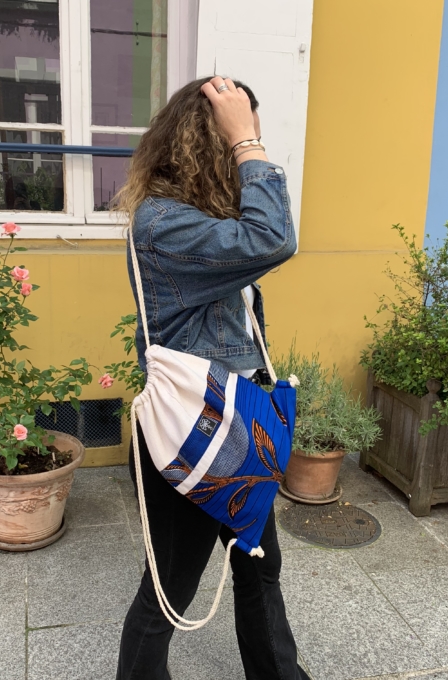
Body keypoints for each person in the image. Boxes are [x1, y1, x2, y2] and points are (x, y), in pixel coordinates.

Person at [115, 75, 308, 680]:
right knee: (168, 593)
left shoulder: (201, 221)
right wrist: (249, 142)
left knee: (258, 567)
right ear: (211, 144)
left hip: (237, 425)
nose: (251, 149)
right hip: (193, 434)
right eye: (240, 138)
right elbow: (273, 239)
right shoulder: (162, 223)